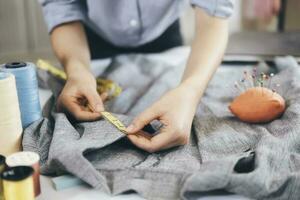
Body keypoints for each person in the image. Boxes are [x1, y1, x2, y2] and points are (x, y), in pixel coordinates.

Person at [40, 0, 233, 153]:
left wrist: (191, 91)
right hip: (86, 40)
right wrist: (77, 70)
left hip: (164, 34)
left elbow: (214, 14)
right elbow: (62, 6)